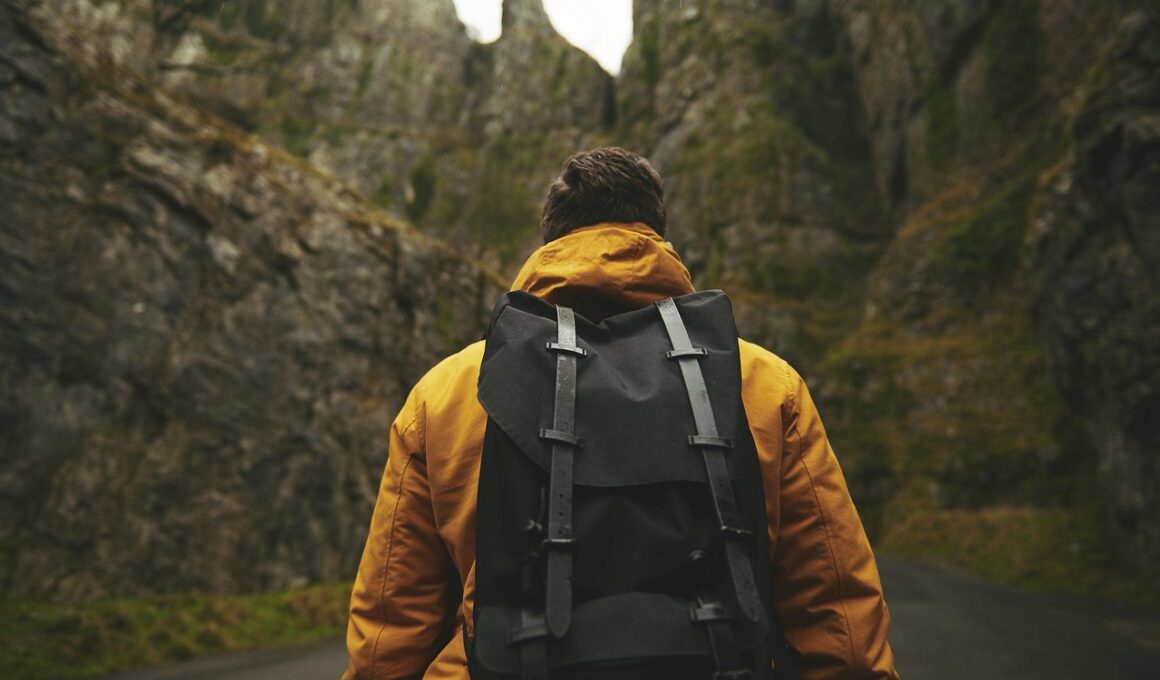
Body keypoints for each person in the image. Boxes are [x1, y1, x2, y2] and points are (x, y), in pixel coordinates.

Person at [343, 147, 898, 679]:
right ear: (657, 237)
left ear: (551, 241)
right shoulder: (763, 383)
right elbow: (839, 622)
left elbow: (389, 637)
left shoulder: (448, 392)